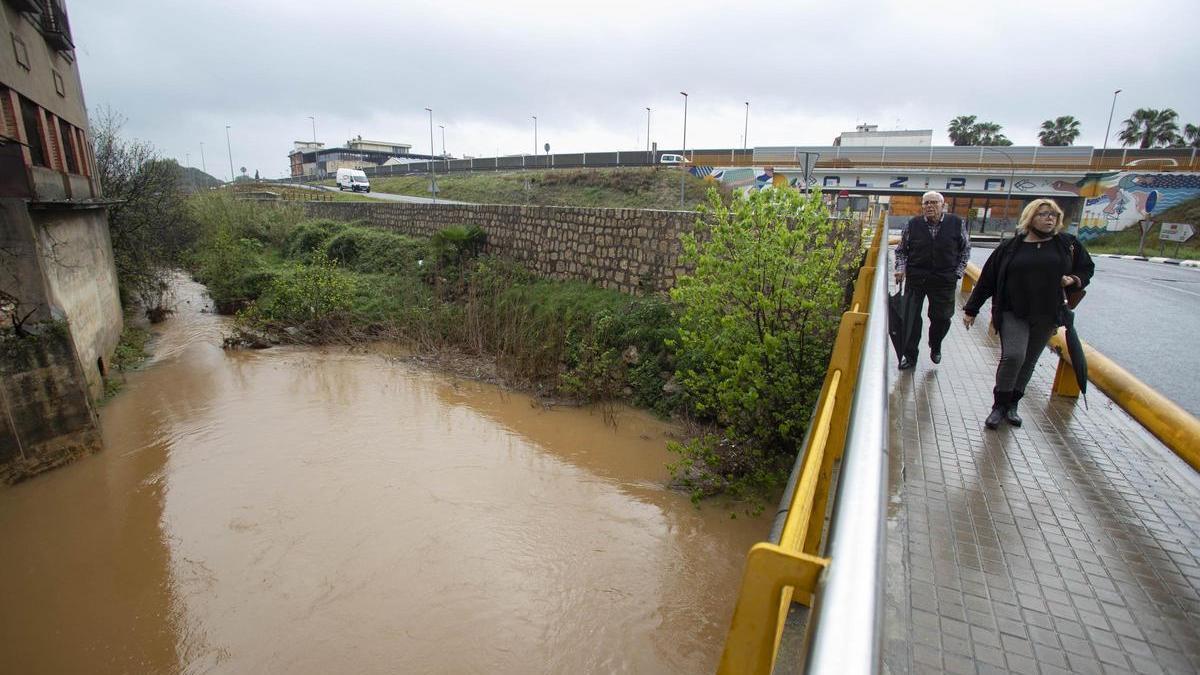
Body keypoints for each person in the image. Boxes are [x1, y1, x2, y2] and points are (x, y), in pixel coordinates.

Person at [962, 198, 1095, 429]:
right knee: (1014, 356)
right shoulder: (1011, 247)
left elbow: (1087, 268)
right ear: (1031, 217)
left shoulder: (1067, 244)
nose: (1049, 218)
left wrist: (1073, 279)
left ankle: (1013, 404)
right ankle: (999, 405)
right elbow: (987, 279)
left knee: (1029, 361)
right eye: (1043, 214)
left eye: (1053, 215)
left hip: (1046, 314)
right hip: (1013, 310)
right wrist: (972, 309)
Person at [893, 191, 970, 369]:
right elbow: (901, 250)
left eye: (934, 202)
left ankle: (935, 345)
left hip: (944, 280)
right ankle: (911, 356)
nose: (929, 206)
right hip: (916, 279)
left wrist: (957, 273)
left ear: (943, 205)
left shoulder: (956, 224)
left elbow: (965, 251)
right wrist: (900, 269)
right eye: (926, 203)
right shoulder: (913, 224)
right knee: (911, 319)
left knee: (941, 318)